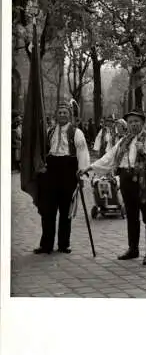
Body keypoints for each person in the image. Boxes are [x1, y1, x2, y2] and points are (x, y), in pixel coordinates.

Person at [79, 109, 146, 265]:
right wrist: (90, 168)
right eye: (130, 122)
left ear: (143, 123)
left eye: (136, 121)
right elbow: (109, 157)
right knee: (131, 216)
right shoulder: (123, 141)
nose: (133, 124)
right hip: (126, 180)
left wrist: (144, 153)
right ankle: (133, 249)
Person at [33, 102, 90, 254]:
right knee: (47, 210)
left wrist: (82, 174)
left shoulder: (76, 132)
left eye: (65, 113)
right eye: (60, 113)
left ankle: (64, 244)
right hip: (51, 171)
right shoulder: (50, 131)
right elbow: (44, 150)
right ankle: (46, 244)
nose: (62, 115)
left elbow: (82, 153)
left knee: (66, 210)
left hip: (68, 170)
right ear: (56, 115)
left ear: (69, 115)